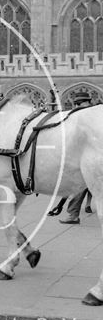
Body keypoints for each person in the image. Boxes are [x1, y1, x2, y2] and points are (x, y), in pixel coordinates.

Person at [47, 91, 94, 224]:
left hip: (93, 158)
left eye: (81, 103)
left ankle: (73, 214)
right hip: (84, 159)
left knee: (80, 186)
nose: (78, 105)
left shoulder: (93, 116)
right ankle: (73, 214)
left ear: (89, 102)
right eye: (77, 104)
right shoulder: (78, 118)